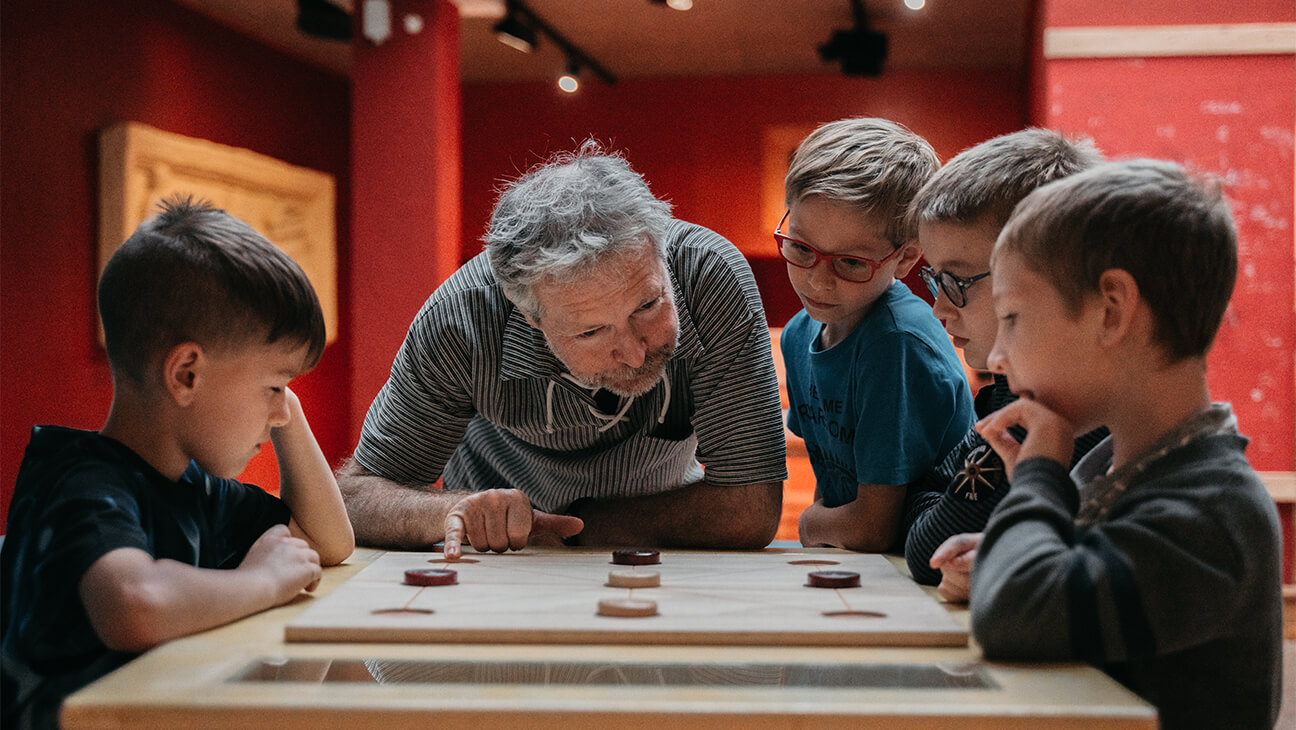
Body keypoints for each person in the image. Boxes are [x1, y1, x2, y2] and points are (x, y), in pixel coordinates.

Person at [0, 197, 354, 730]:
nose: (280, 409)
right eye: (274, 387)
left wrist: (289, 409)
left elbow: (329, 543)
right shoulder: (79, 481)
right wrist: (262, 582)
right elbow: (134, 605)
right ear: (186, 374)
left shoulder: (193, 486)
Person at [337, 142, 787, 558]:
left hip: (660, 536)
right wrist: (459, 511)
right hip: (501, 556)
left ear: (661, 253)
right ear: (530, 316)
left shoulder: (709, 277)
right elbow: (355, 497)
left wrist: (578, 526)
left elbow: (749, 508)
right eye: (591, 332)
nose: (634, 354)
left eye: (648, 305)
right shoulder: (465, 319)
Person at [970, 159, 1282, 728]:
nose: (996, 356)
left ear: (1112, 311)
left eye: (1012, 316)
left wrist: (1039, 478)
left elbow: (1018, 613)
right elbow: (1055, 591)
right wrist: (1001, 558)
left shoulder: (1212, 514)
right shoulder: (1119, 473)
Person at [899, 128, 1107, 601]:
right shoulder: (1005, 392)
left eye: (955, 281)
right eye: (935, 281)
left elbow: (926, 547)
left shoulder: (1056, 409)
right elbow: (920, 503)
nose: (938, 309)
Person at [778, 117, 973, 552]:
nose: (817, 282)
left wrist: (809, 526)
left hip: (926, 567)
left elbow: (872, 529)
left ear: (904, 259)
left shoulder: (895, 345)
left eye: (850, 262)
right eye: (801, 248)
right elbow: (835, 482)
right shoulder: (797, 336)